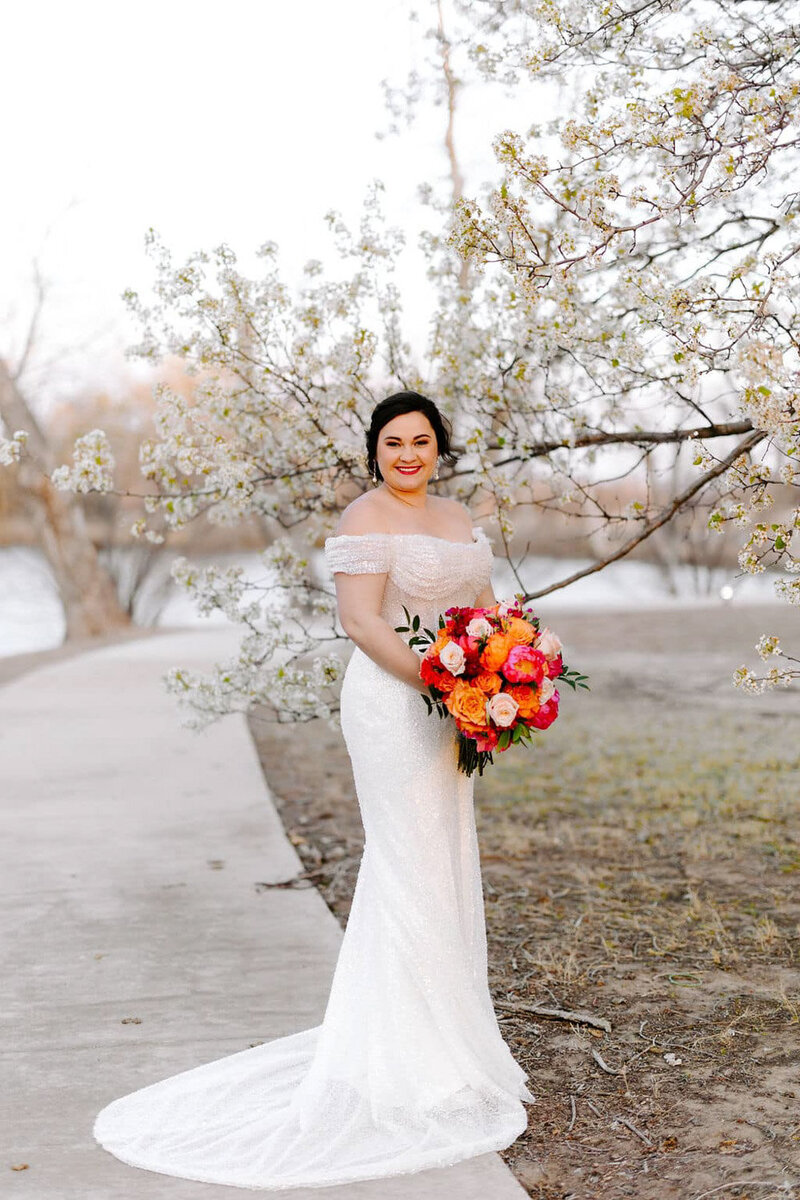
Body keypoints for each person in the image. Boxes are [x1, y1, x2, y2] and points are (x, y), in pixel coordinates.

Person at [93, 391, 534, 1189]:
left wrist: (503, 667)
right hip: (395, 706)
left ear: (440, 448)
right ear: (374, 451)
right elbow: (362, 623)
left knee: (443, 857)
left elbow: (479, 611)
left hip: (455, 707)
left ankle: (445, 1038)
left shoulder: (458, 515)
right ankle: (411, 1062)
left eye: (421, 441)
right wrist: (443, 683)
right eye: (393, 442)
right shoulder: (365, 517)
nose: (408, 455)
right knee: (406, 862)